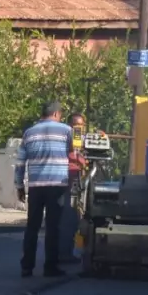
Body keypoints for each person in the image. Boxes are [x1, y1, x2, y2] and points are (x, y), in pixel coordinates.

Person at [16, 101, 72, 277]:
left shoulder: (28, 133)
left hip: (35, 187)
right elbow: (75, 152)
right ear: (56, 114)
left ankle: (27, 266)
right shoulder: (66, 131)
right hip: (57, 185)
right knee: (53, 227)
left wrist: (19, 185)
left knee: (32, 226)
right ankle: (50, 267)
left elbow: (20, 163)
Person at [60, 112, 87, 263]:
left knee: (74, 215)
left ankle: (67, 251)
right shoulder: (67, 138)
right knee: (69, 215)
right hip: (69, 177)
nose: (78, 128)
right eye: (75, 125)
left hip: (76, 177)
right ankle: (64, 253)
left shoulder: (80, 140)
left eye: (81, 125)